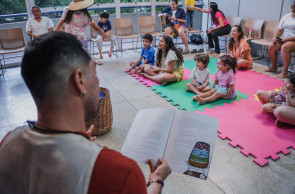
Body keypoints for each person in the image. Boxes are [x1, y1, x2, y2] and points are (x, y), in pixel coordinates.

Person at [0, 32, 171, 194]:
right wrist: (157, 180)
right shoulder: (119, 172)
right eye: (94, 72)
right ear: (80, 80)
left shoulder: (7, 144)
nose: (97, 81)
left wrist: (78, 142)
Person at [54, 0, 105, 64]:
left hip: (69, 40)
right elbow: (96, 28)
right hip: (81, 41)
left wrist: (51, 36)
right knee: (82, 62)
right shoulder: (86, 16)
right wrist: (104, 35)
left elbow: (58, 25)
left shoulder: (67, 11)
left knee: (71, 62)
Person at [265, 1, 295, 78]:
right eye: (292, 3)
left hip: (292, 41)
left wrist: (287, 39)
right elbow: (279, 30)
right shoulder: (286, 16)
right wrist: (275, 37)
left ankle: (285, 70)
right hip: (284, 39)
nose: (293, 5)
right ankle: (274, 66)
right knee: (272, 46)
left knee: (285, 47)